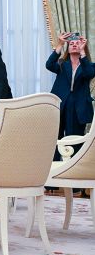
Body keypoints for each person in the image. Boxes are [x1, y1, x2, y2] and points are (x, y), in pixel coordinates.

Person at [47, 32, 94, 163]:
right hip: (60, 105)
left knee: (75, 140)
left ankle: (73, 176)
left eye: (77, 44)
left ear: (82, 47)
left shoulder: (89, 66)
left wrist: (83, 52)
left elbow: (89, 73)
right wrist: (60, 43)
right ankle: (53, 176)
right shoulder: (62, 64)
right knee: (55, 138)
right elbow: (49, 64)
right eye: (71, 44)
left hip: (78, 108)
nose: (74, 45)